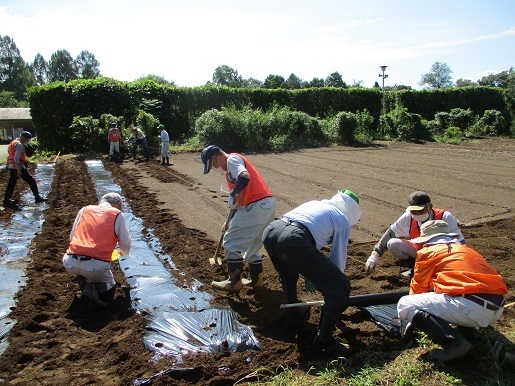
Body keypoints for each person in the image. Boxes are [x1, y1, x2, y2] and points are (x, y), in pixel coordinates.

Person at [262, 190, 361, 354]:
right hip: (294, 240)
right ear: (351, 211)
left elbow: (309, 230)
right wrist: (331, 288)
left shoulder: (317, 204)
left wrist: (312, 273)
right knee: (340, 286)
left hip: (272, 232)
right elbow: (338, 258)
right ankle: (324, 340)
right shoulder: (342, 219)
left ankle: (293, 309)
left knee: (288, 273)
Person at [397, 220, 507, 362]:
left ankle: (455, 343)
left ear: (426, 239)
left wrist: (413, 321)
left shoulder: (428, 251)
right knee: (451, 291)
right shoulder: (465, 249)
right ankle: (468, 332)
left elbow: (418, 289)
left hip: (474, 307)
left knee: (405, 303)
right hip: (497, 308)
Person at [201, 145, 276, 292]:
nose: (215, 169)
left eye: (212, 165)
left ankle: (234, 282)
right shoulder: (230, 171)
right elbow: (237, 202)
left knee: (231, 243)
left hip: (256, 206)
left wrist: (233, 193)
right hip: (265, 206)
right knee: (253, 246)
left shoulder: (232, 160)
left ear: (215, 157)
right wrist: (229, 221)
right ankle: (256, 281)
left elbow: (244, 176)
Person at [365, 191, 465, 273]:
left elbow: (461, 243)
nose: (416, 214)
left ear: (429, 207)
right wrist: (374, 255)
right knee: (393, 244)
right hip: (420, 251)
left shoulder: (445, 216)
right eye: (413, 211)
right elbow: (390, 234)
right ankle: (417, 269)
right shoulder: (408, 216)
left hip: (443, 254)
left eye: (420, 210)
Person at [62, 192, 132, 307]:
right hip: (95, 266)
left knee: (85, 269)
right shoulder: (117, 214)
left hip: (70, 262)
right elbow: (125, 243)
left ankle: (83, 278)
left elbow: (72, 236)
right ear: (118, 204)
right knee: (110, 284)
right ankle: (94, 289)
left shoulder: (85, 210)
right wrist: (123, 253)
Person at [3, 131, 47, 210]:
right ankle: (37, 197)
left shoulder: (13, 143)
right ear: (22, 137)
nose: (27, 141)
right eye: (26, 139)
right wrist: (19, 170)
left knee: (12, 183)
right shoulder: (19, 145)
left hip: (12, 166)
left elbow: (9, 155)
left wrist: (8, 166)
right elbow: (16, 158)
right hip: (18, 166)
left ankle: (6, 200)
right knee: (31, 181)